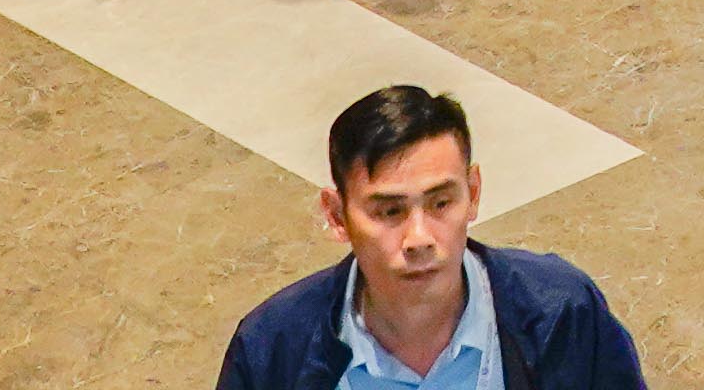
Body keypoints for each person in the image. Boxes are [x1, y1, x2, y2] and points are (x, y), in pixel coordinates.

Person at [216, 88, 648, 390]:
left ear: (473, 194)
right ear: (336, 215)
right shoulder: (272, 349)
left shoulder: (563, 315)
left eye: (441, 204)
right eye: (390, 211)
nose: (419, 238)